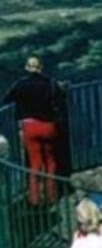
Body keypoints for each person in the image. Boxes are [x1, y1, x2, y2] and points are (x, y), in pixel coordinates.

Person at [2, 56, 63, 205]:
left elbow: (6, 99)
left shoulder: (20, 85)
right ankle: (51, 196)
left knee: (34, 163)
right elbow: (60, 99)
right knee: (50, 162)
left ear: (27, 68)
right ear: (41, 68)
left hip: (29, 127)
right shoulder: (50, 83)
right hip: (48, 126)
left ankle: (34, 198)